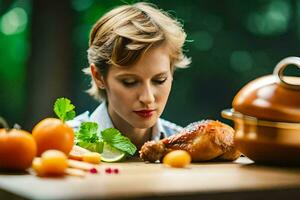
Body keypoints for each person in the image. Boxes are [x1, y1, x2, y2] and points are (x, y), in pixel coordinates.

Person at [68, 2, 190, 150]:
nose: (148, 98)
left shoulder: (186, 146)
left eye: (159, 80)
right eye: (129, 82)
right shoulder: (64, 142)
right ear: (99, 77)